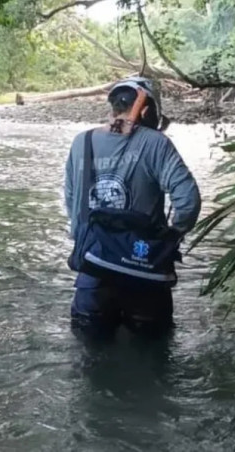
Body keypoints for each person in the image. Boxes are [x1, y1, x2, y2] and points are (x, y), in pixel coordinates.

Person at [64, 77, 201, 339]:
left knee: (89, 362)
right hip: (145, 270)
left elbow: (72, 204)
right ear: (149, 111)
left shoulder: (81, 142)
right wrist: (172, 235)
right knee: (153, 361)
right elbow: (188, 201)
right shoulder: (155, 143)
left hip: (93, 272)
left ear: (113, 107)